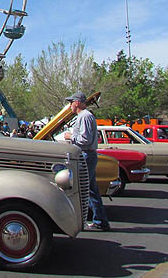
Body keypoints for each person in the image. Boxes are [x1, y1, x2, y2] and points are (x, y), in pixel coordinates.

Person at [64, 92, 110, 231]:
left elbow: (85, 140)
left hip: (86, 155)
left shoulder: (84, 116)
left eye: (71, 102)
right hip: (88, 155)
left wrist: (70, 136)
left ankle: (87, 220)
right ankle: (100, 220)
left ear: (77, 102)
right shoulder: (85, 116)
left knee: (82, 188)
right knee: (91, 189)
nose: (70, 105)